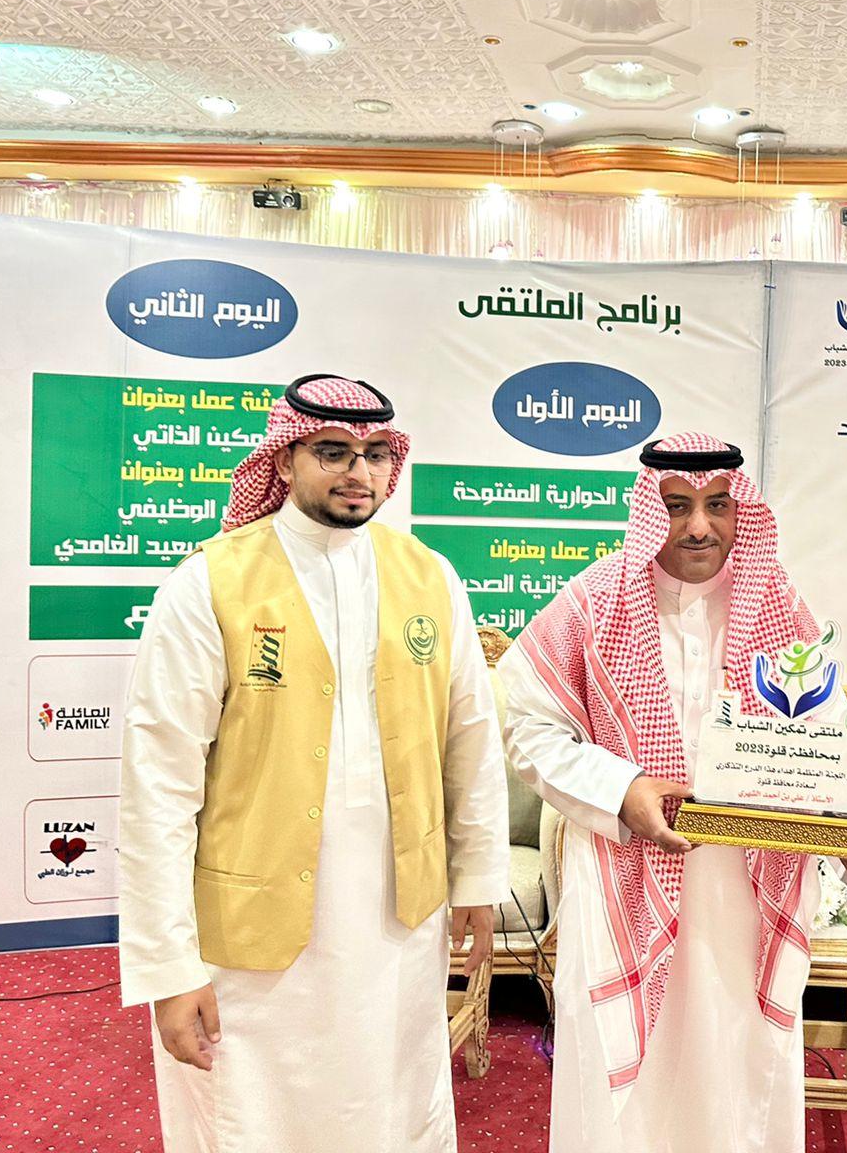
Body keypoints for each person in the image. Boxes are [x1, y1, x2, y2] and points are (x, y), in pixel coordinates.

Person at [117, 374, 509, 1152]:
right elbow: (157, 786)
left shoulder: (430, 576)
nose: (359, 472)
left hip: (398, 923)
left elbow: (470, 737)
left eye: (375, 455)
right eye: (333, 452)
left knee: (392, 1109)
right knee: (255, 1117)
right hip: (252, 935)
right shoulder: (209, 583)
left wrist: (477, 878)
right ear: (284, 459)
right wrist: (167, 967)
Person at [498, 432, 820, 1152]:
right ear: (649, 510)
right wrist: (622, 789)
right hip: (622, 873)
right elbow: (530, 730)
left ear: (741, 510)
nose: (699, 527)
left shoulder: (779, 605)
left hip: (745, 883)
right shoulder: (592, 603)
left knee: (735, 1058)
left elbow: (820, 738)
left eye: (717, 505)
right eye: (676, 507)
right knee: (628, 1083)